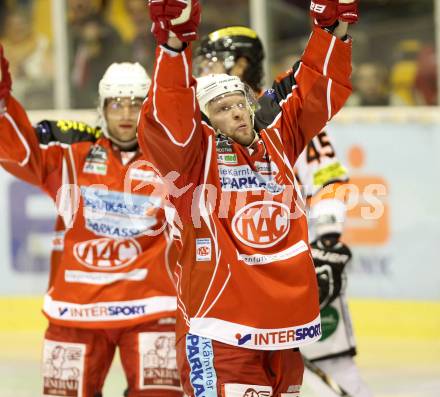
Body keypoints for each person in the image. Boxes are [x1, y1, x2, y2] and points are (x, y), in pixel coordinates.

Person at [138, 0, 357, 395]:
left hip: (283, 332)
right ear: (203, 121)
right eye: (223, 109)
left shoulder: (276, 138)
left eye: (241, 104)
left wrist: (333, 30)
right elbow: (169, 122)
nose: (239, 113)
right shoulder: (192, 160)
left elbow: (316, 92)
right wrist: (173, 48)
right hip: (222, 331)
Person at [195, 23, 373, 397]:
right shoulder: (206, 125)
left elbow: (329, 182)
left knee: (335, 365)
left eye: (210, 60)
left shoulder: (283, 110)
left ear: (240, 64)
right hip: (242, 287)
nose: (202, 69)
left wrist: (325, 245)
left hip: (302, 271)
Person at [0, 46, 182, 397]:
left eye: (136, 104)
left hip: (152, 308)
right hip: (75, 313)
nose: (126, 114)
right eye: (117, 104)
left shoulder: (174, 157)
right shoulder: (70, 153)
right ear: (102, 108)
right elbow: (18, 153)